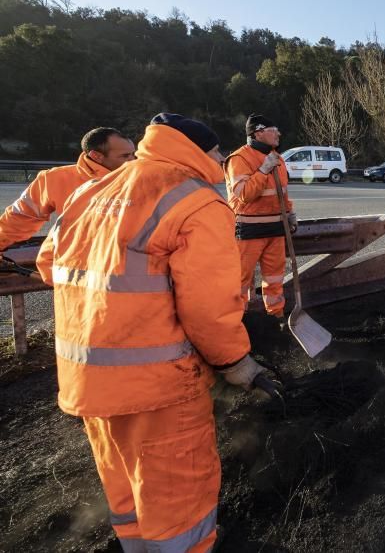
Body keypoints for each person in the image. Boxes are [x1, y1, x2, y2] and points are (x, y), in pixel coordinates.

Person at [36, 113, 269, 552]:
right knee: (179, 506)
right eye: (217, 151)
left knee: (127, 495)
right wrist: (237, 364)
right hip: (159, 390)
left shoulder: (91, 189)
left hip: (89, 380)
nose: (222, 160)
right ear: (197, 151)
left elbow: (50, 265)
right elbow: (208, 310)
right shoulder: (197, 202)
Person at [0, 127, 135, 253]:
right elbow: (18, 219)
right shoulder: (53, 179)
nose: (133, 160)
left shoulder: (142, 179)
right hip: (72, 268)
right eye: (125, 156)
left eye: (133, 154)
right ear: (96, 156)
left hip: (124, 267)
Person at [224, 114, 296, 318]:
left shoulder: (277, 158)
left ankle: (277, 318)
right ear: (259, 132)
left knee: (275, 279)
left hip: (276, 229)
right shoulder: (239, 159)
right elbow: (245, 195)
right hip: (248, 230)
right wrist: (264, 170)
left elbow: (282, 192)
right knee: (239, 281)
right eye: (274, 130)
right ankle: (236, 323)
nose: (279, 133)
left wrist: (290, 213)